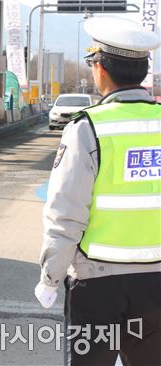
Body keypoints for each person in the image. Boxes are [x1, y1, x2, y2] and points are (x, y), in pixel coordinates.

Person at [35, 17, 161, 365]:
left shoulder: (87, 128)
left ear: (101, 69)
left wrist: (50, 278)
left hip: (98, 285)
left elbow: (65, 215)